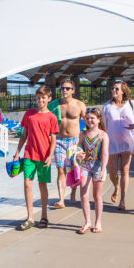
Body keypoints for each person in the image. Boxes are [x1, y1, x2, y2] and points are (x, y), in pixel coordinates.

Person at [13, 85, 59, 230]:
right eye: (38, 97)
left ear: (48, 99)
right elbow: (24, 136)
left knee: (42, 185)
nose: (40, 100)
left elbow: (53, 140)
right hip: (29, 155)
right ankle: (30, 217)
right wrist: (16, 153)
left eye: (43, 98)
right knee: (27, 183)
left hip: (44, 156)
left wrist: (50, 156)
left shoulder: (52, 117)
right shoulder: (29, 114)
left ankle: (44, 216)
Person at [102, 81, 134, 211]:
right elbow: (103, 125)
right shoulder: (107, 106)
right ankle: (116, 187)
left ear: (123, 91)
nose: (114, 90)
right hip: (112, 143)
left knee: (125, 170)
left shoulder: (131, 104)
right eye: (113, 88)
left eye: (117, 89)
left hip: (128, 142)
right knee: (112, 172)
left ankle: (123, 200)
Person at [48, 78, 87, 208]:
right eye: (62, 88)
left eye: (67, 88)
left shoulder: (80, 105)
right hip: (58, 140)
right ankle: (61, 199)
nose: (64, 90)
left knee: (74, 169)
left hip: (74, 141)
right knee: (61, 169)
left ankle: (73, 193)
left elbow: (88, 123)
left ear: (73, 91)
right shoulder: (54, 105)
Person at [75, 108, 110, 234]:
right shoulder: (83, 134)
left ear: (99, 120)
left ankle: (98, 222)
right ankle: (87, 221)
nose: (89, 120)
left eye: (92, 118)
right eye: (87, 118)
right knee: (83, 194)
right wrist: (79, 154)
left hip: (98, 166)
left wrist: (103, 169)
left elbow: (105, 154)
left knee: (97, 196)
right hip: (85, 166)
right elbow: (78, 147)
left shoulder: (103, 135)